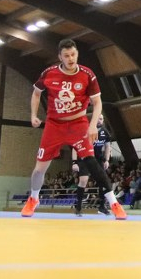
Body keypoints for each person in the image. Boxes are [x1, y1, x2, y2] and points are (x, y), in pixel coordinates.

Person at [22, 39, 126, 220]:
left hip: (78, 124)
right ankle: (33, 199)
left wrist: (92, 125)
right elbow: (36, 93)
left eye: (73, 54)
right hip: (54, 125)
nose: (70, 58)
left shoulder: (87, 75)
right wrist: (33, 115)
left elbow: (97, 103)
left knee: (93, 164)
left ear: (77, 54)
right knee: (39, 169)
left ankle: (114, 204)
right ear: (60, 57)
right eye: (66, 55)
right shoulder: (49, 73)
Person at [70, 114, 112, 215]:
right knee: (83, 180)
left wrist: (107, 160)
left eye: (101, 119)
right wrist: (74, 162)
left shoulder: (105, 132)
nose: (99, 120)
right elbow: (75, 146)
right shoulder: (85, 130)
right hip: (85, 157)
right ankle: (78, 207)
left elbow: (107, 147)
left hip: (98, 159)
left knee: (103, 181)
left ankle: (102, 207)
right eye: (97, 118)